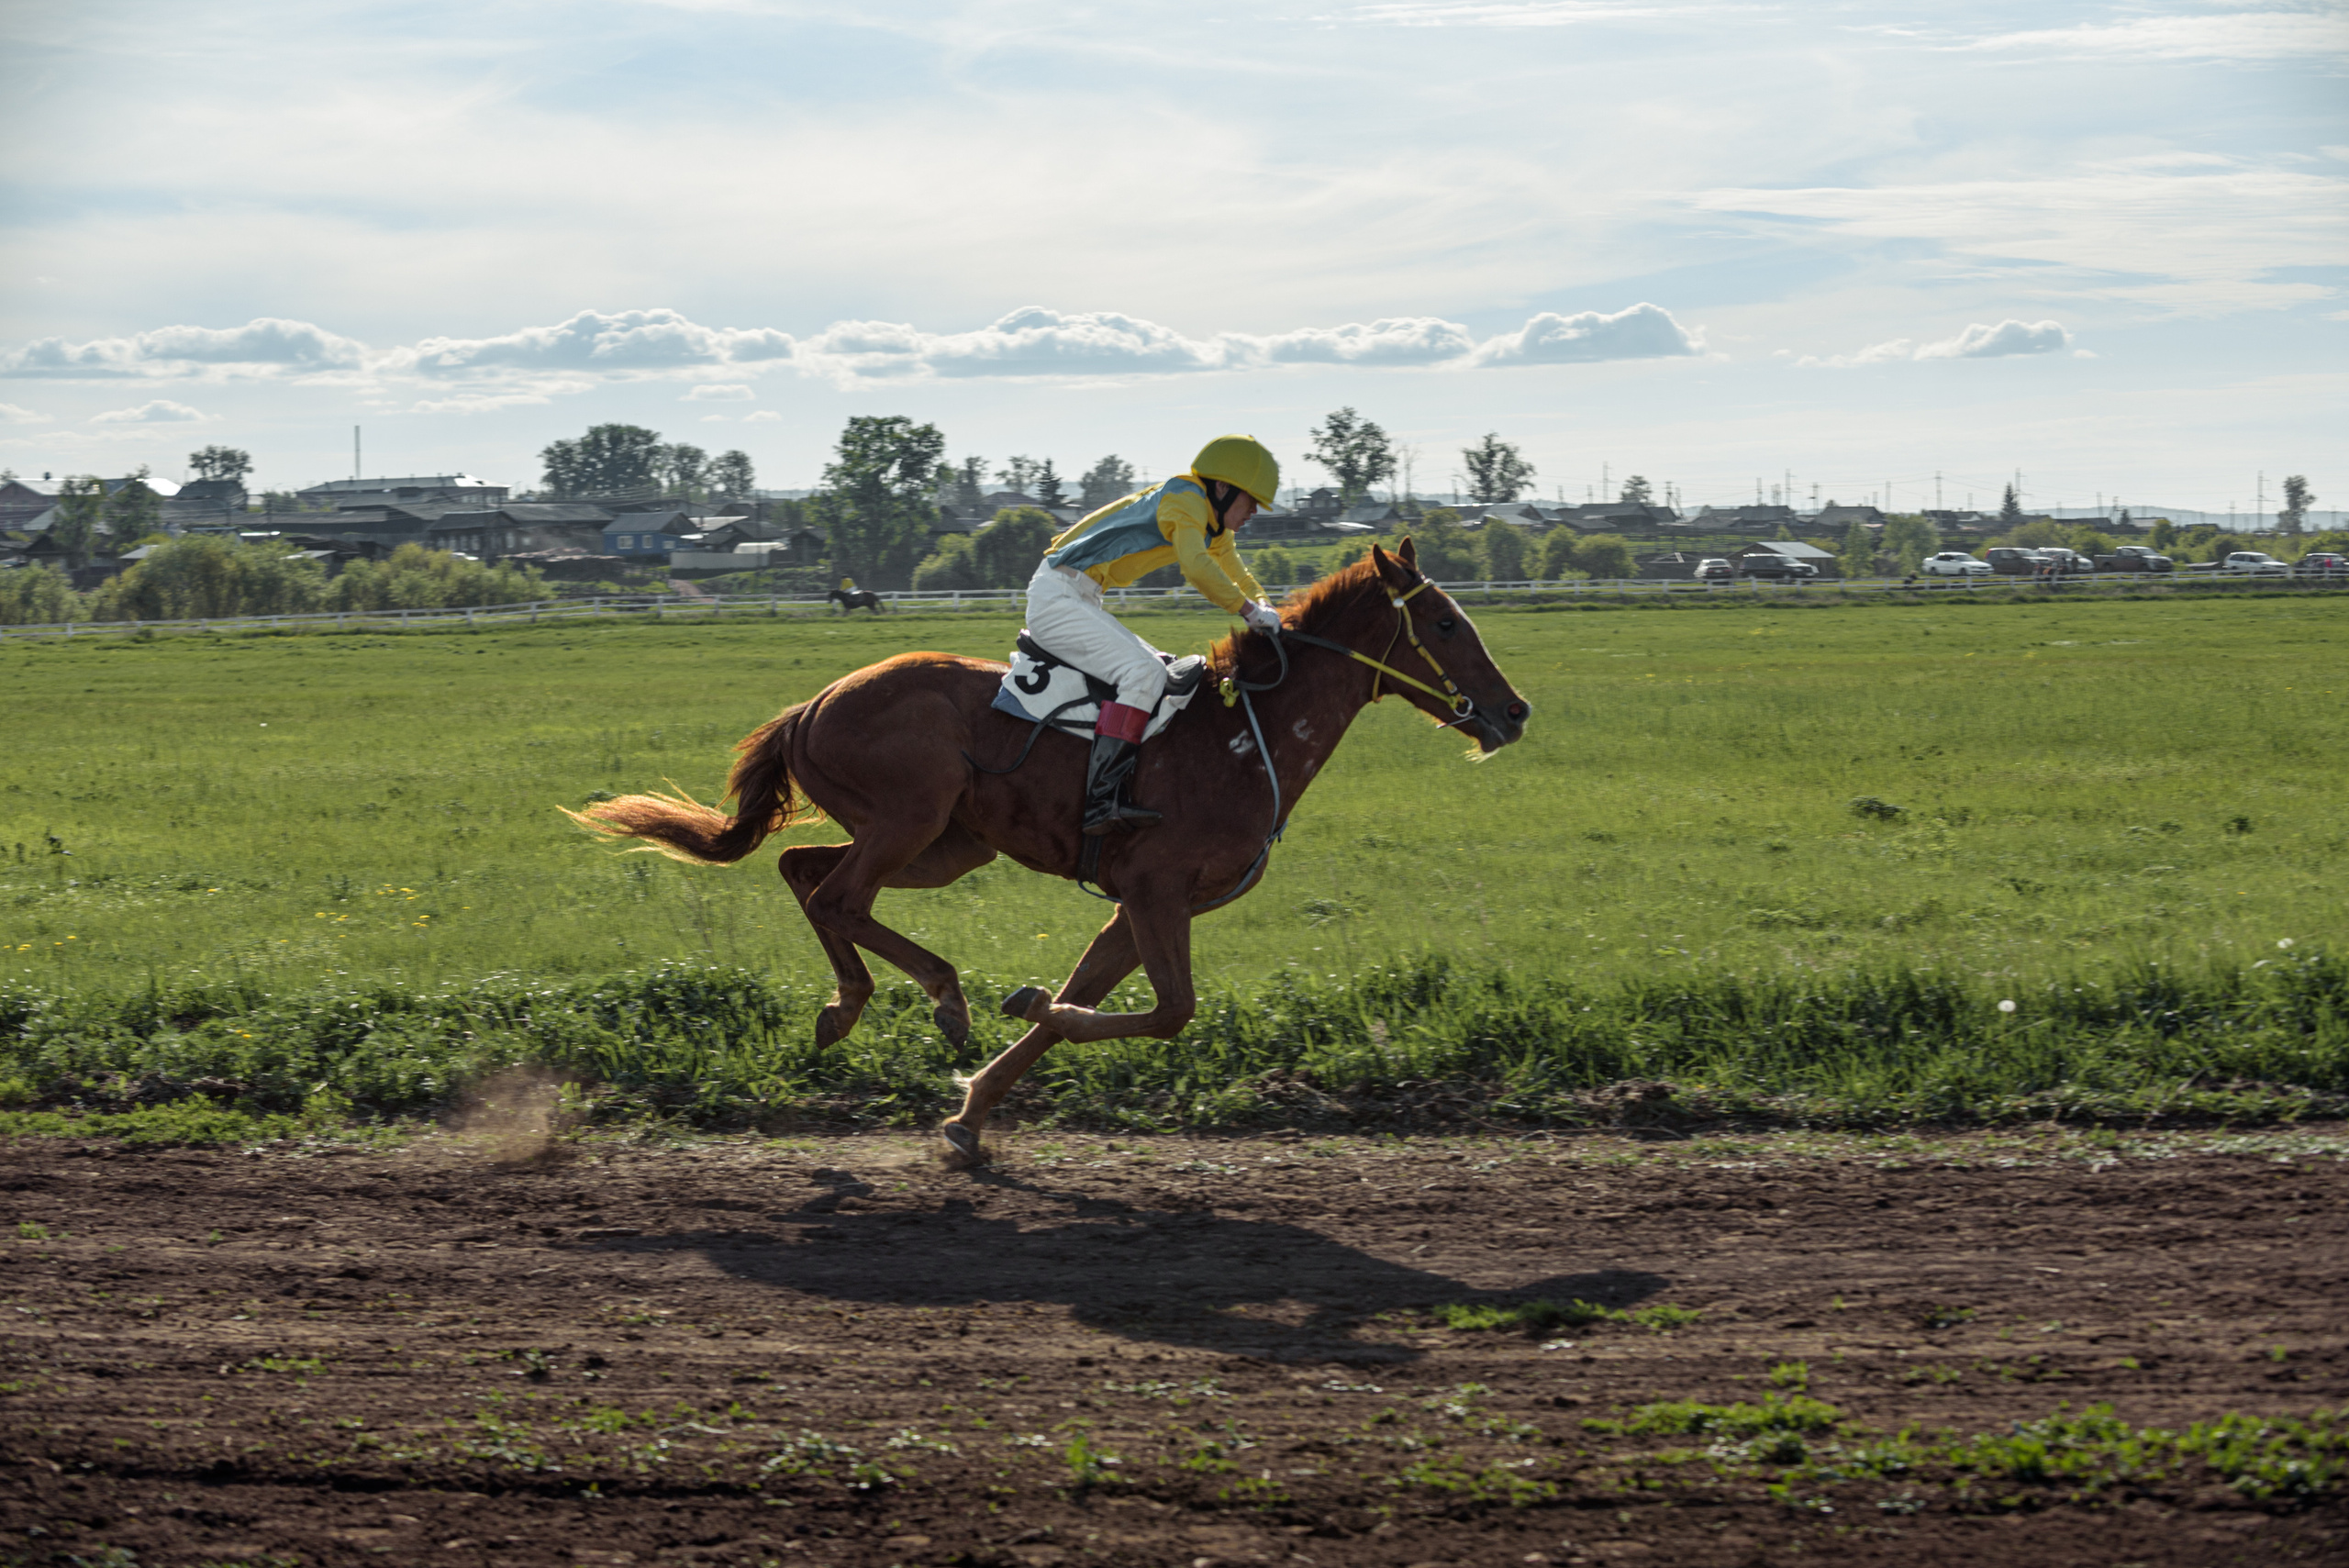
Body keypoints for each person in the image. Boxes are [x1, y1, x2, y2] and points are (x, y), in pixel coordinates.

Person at [1026, 434, 1284, 835]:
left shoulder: (1215, 528)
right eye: (1250, 500)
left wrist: (1270, 611)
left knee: (1161, 673)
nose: (1254, 511)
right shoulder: (1185, 502)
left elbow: (1239, 575)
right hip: (1057, 596)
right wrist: (1250, 612)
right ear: (1222, 488)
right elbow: (1196, 567)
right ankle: (1100, 802)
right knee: (1143, 675)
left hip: (1079, 596)